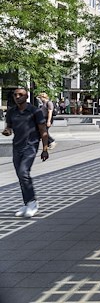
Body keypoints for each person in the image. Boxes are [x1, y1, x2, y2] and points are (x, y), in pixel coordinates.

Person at [2, 87, 50, 218]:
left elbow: (43, 131)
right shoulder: (11, 112)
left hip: (30, 146)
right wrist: (7, 131)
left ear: (27, 96)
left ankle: (32, 203)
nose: (17, 97)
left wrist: (45, 149)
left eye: (20, 95)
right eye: (15, 95)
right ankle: (27, 203)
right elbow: (9, 127)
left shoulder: (35, 111)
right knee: (20, 175)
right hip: (17, 147)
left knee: (24, 172)